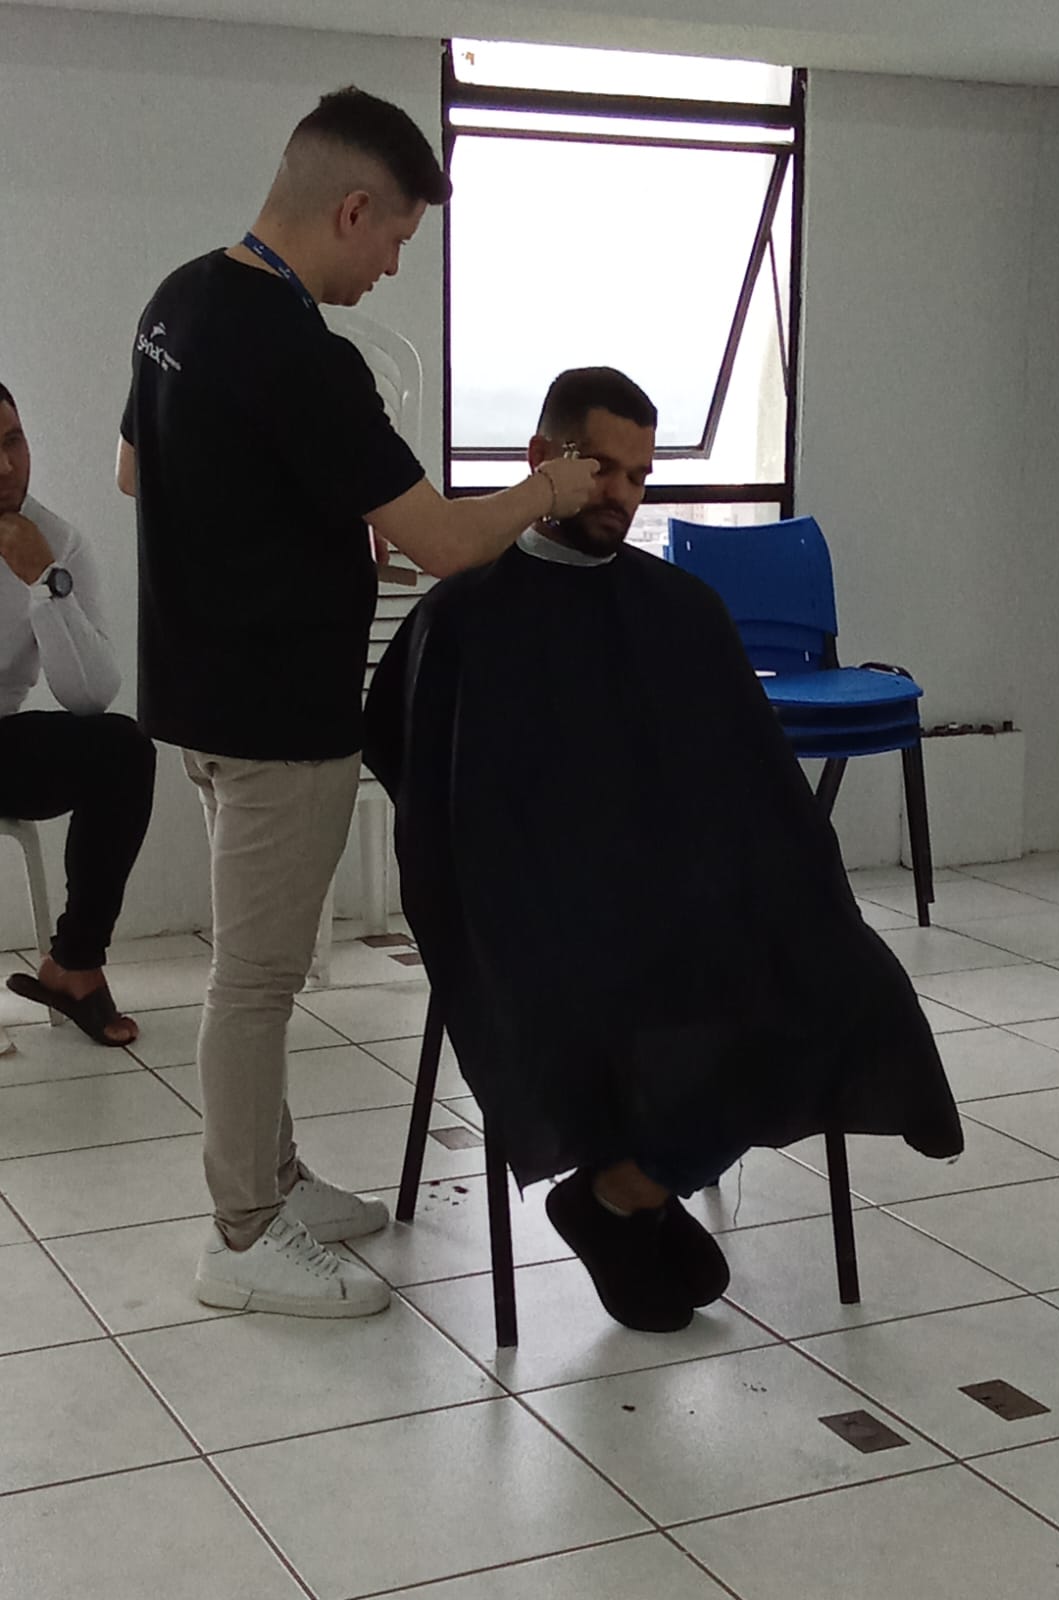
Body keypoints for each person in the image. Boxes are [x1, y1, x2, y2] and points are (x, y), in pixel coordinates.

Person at [116, 86, 597, 1320]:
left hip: (198, 695)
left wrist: (309, 520)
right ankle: (242, 1234)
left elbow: (136, 468)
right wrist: (547, 490)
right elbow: (446, 542)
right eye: (395, 239)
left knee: (253, 965)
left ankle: (274, 1177)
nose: (390, 267)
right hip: (279, 716)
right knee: (256, 981)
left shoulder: (179, 300)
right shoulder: (302, 353)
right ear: (351, 208)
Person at [364, 367, 964, 1334]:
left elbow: (757, 789)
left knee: (842, 977)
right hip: (539, 920)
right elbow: (418, 780)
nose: (620, 494)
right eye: (600, 468)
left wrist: (772, 892)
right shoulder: (466, 614)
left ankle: (626, 1191)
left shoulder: (681, 609)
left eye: (639, 476)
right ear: (541, 458)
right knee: (639, 999)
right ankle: (632, 1195)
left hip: (676, 901)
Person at [0, 383, 155, 1051]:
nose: (6, 466)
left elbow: (91, 696)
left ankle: (75, 964)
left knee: (123, 749)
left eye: (13, 441)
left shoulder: (57, 540)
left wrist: (45, 583)